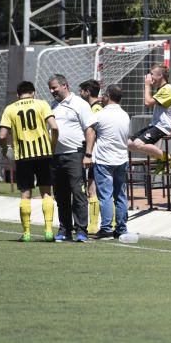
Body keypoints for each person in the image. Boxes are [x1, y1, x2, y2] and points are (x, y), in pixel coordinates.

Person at [0, 81, 59, 242]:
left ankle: (26, 233)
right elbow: (54, 127)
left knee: (25, 194)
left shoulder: (10, 108)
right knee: (46, 192)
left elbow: (2, 136)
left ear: (18, 94)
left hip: (23, 156)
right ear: (34, 92)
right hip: (44, 154)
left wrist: (5, 150)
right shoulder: (42, 104)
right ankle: (48, 231)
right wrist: (51, 147)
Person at [48, 73, 94, 243]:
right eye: (50, 88)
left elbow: (90, 130)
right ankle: (64, 229)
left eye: (54, 87)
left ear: (64, 85)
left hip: (74, 154)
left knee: (78, 193)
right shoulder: (52, 105)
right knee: (61, 195)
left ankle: (81, 230)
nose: (52, 91)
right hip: (55, 156)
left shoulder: (79, 104)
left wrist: (88, 154)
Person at [83, 84, 131, 239]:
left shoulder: (100, 114)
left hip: (104, 160)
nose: (101, 98)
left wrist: (88, 154)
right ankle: (121, 228)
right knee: (120, 195)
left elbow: (90, 131)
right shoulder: (125, 115)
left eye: (104, 95)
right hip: (122, 159)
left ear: (108, 96)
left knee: (105, 195)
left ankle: (106, 228)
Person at [128, 63, 171, 174]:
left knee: (137, 144)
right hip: (156, 125)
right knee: (129, 144)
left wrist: (147, 86)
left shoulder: (168, 89)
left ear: (161, 76)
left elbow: (147, 102)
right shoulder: (162, 89)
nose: (149, 77)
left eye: (152, 74)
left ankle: (166, 157)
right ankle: (160, 158)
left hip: (165, 126)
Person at [79, 78, 103, 234]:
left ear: (87, 92)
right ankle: (110, 223)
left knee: (93, 189)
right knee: (101, 190)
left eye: (81, 90)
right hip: (98, 153)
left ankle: (94, 225)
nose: (80, 94)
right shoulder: (96, 107)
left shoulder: (95, 109)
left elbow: (94, 131)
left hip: (95, 153)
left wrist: (88, 152)